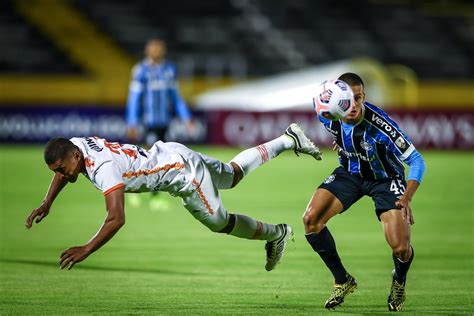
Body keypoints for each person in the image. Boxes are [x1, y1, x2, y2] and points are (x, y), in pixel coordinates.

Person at [25, 124, 322, 272]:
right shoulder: (76, 146)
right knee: (231, 175)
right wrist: (48, 201)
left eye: (63, 169)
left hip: (181, 174)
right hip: (172, 151)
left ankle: (276, 234)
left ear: (75, 156)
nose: (62, 175)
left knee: (219, 223)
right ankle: (288, 139)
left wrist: (87, 249)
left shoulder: (103, 169)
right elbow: (63, 168)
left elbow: (116, 219)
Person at [304, 73, 425, 311]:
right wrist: (343, 142)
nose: (353, 105)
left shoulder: (381, 124)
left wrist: (407, 196)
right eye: (347, 99)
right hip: (351, 172)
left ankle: (399, 281)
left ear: (363, 96)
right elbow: (338, 130)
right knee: (311, 220)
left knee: (400, 248)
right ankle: (342, 279)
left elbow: (417, 160)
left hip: (385, 179)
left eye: (358, 98)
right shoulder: (327, 113)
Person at [125, 38, 193, 145]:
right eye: (154, 49)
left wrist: (186, 117)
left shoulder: (169, 69)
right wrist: (132, 122)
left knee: (167, 155)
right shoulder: (141, 70)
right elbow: (134, 99)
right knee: (150, 153)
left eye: (159, 49)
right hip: (148, 123)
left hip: (165, 122)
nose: (157, 51)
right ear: (147, 51)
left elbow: (176, 97)